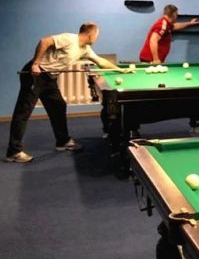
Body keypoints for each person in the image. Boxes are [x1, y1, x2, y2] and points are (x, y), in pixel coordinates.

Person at [6, 23, 127, 163]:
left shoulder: (85, 49)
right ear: (91, 35)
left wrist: (119, 70)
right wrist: (35, 63)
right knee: (23, 111)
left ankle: (62, 141)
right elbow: (44, 41)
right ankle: (14, 151)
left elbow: (100, 61)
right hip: (36, 74)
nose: (97, 38)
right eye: (97, 35)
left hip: (49, 77)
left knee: (59, 106)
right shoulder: (69, 39)